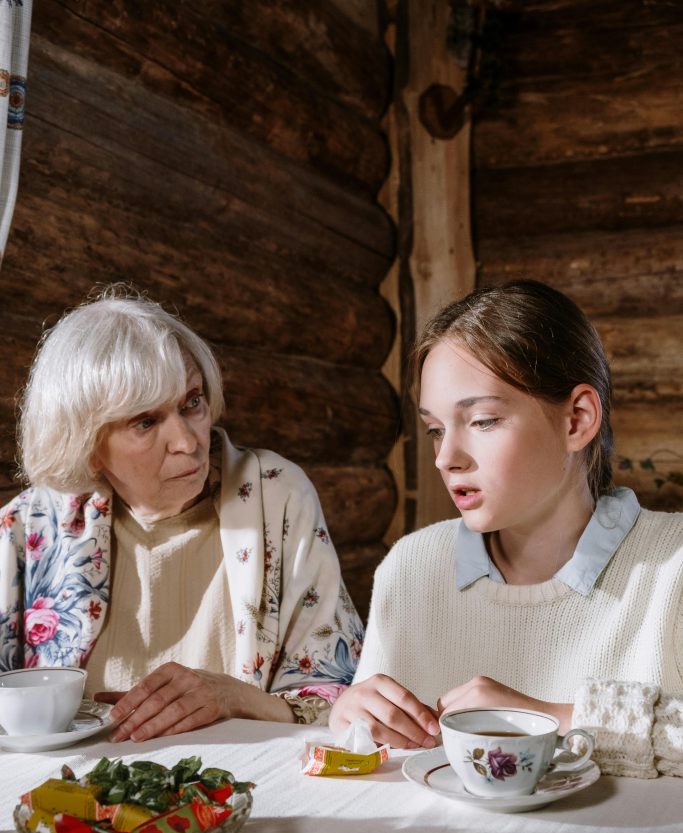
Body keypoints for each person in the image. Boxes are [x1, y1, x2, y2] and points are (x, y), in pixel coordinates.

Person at [330, 280, 683, 778]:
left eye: (483, 421)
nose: (446, 459)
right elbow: (374, 756)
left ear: (577, 420)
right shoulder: (410, 567)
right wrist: (355, 718)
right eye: (435, 429)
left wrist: (549, 721)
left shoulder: (674, 565)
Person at [0, 287, 363, 740]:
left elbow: (341, 694)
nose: (189, 442)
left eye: (191, 402)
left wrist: (233, 696)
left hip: (243, 786)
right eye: (146, 422)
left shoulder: (277, 495)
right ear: (89, 447)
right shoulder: (30, 525)